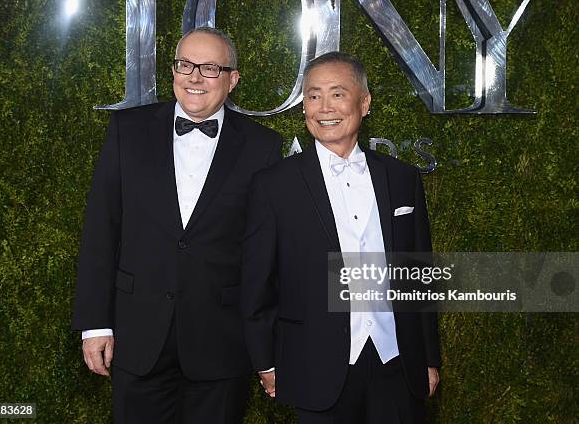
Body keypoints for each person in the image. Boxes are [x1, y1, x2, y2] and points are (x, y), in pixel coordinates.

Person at [71, 27, 283, 424]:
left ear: (233, 79)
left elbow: (265, 257)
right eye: (185, 64)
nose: (194, 77)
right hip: (137, 337)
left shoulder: (263, 147)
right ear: (173, 70)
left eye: (209, 68)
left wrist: (266, 347)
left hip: (221, 344)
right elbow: (102, 229)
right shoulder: (127, 131)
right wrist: (94, 323)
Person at [241, 51, 440, 423]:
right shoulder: (274, 185)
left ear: (364, 103)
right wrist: (266, 361)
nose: (323, 107)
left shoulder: (402, 178)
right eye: (313, 95)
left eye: (337, 93)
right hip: (314, 365)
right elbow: (257, 285)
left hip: (396, 363)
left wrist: (428, 358)